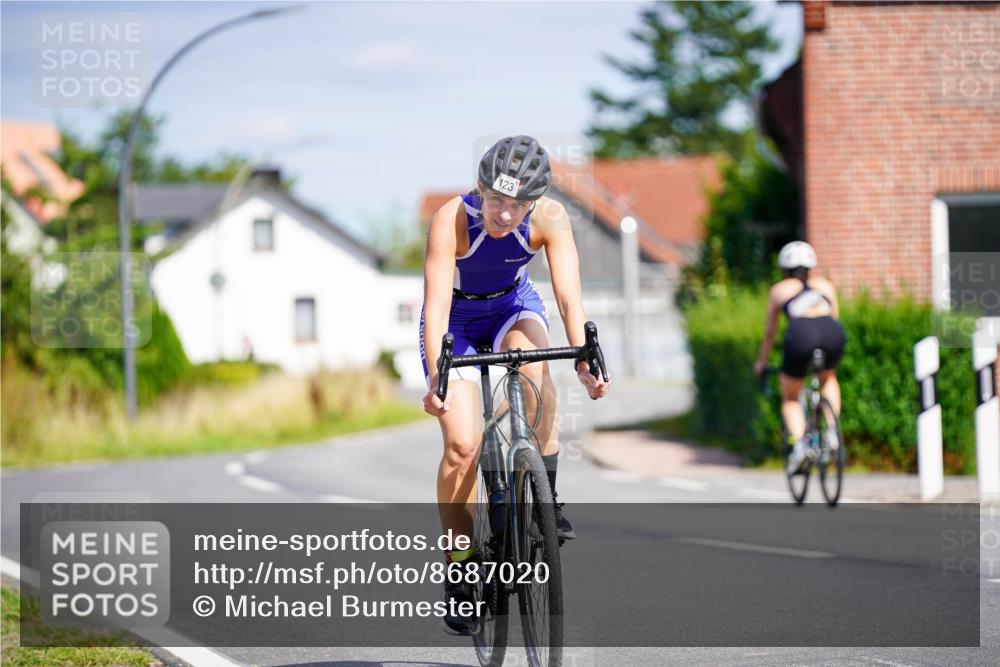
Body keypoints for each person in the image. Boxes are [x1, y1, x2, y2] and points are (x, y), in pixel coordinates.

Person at [420, 135, 610, 634]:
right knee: (462, 445)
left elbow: (569, 297)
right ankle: (460, 566)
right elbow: (436, 304)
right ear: (480, 188)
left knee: (536, 377)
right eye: (497, 201)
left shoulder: (550, 219)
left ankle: (543, 500)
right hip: (456, 321)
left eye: (518, 204)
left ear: (536, 201)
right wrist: (441, 376)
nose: (505, 215)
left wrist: (584, 356)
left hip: (511, 306)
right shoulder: (450, 220)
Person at [753, 241, 846, 474]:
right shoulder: (825, 286)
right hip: (831, 332)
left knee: (791, 397)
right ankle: (832, 431)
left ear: (784, 268)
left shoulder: (779, 290)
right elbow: (834, 317)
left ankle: (801, 446)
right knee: (828, 378)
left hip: (801, 334)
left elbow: (770, 333)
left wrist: (762, 362)